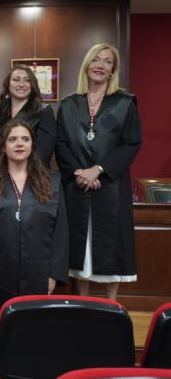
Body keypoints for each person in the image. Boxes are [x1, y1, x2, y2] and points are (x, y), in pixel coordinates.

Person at [0, 119, 68, 364]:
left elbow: (61, 233)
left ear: (33, 145)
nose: (19, 144)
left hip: (38, 274)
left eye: (25, 139)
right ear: (3, 147)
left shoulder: (52, 182)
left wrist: (53, 274)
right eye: (12, 139)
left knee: (32, 341)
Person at [56, 43, 142, 301]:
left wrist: (99, 170)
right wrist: (80, 173)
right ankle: (82, 301)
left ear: (113, 69)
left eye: (107, 61)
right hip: (77, 184)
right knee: (80, 245)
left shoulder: (125, 103)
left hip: (110, 186)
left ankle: (111, 304)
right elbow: (61, 144)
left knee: (111, 242)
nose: (100, 65)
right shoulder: (69, 104)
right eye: (96, 60)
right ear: (87, 65)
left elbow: (131, 143)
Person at [0, 64, 56, 166]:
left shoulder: (44, 111)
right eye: (16, 80)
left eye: (27, 80)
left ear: (32, 85)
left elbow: (44, 151)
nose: (21, 84)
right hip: (0, 173)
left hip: (34, 173)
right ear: (8, 85)